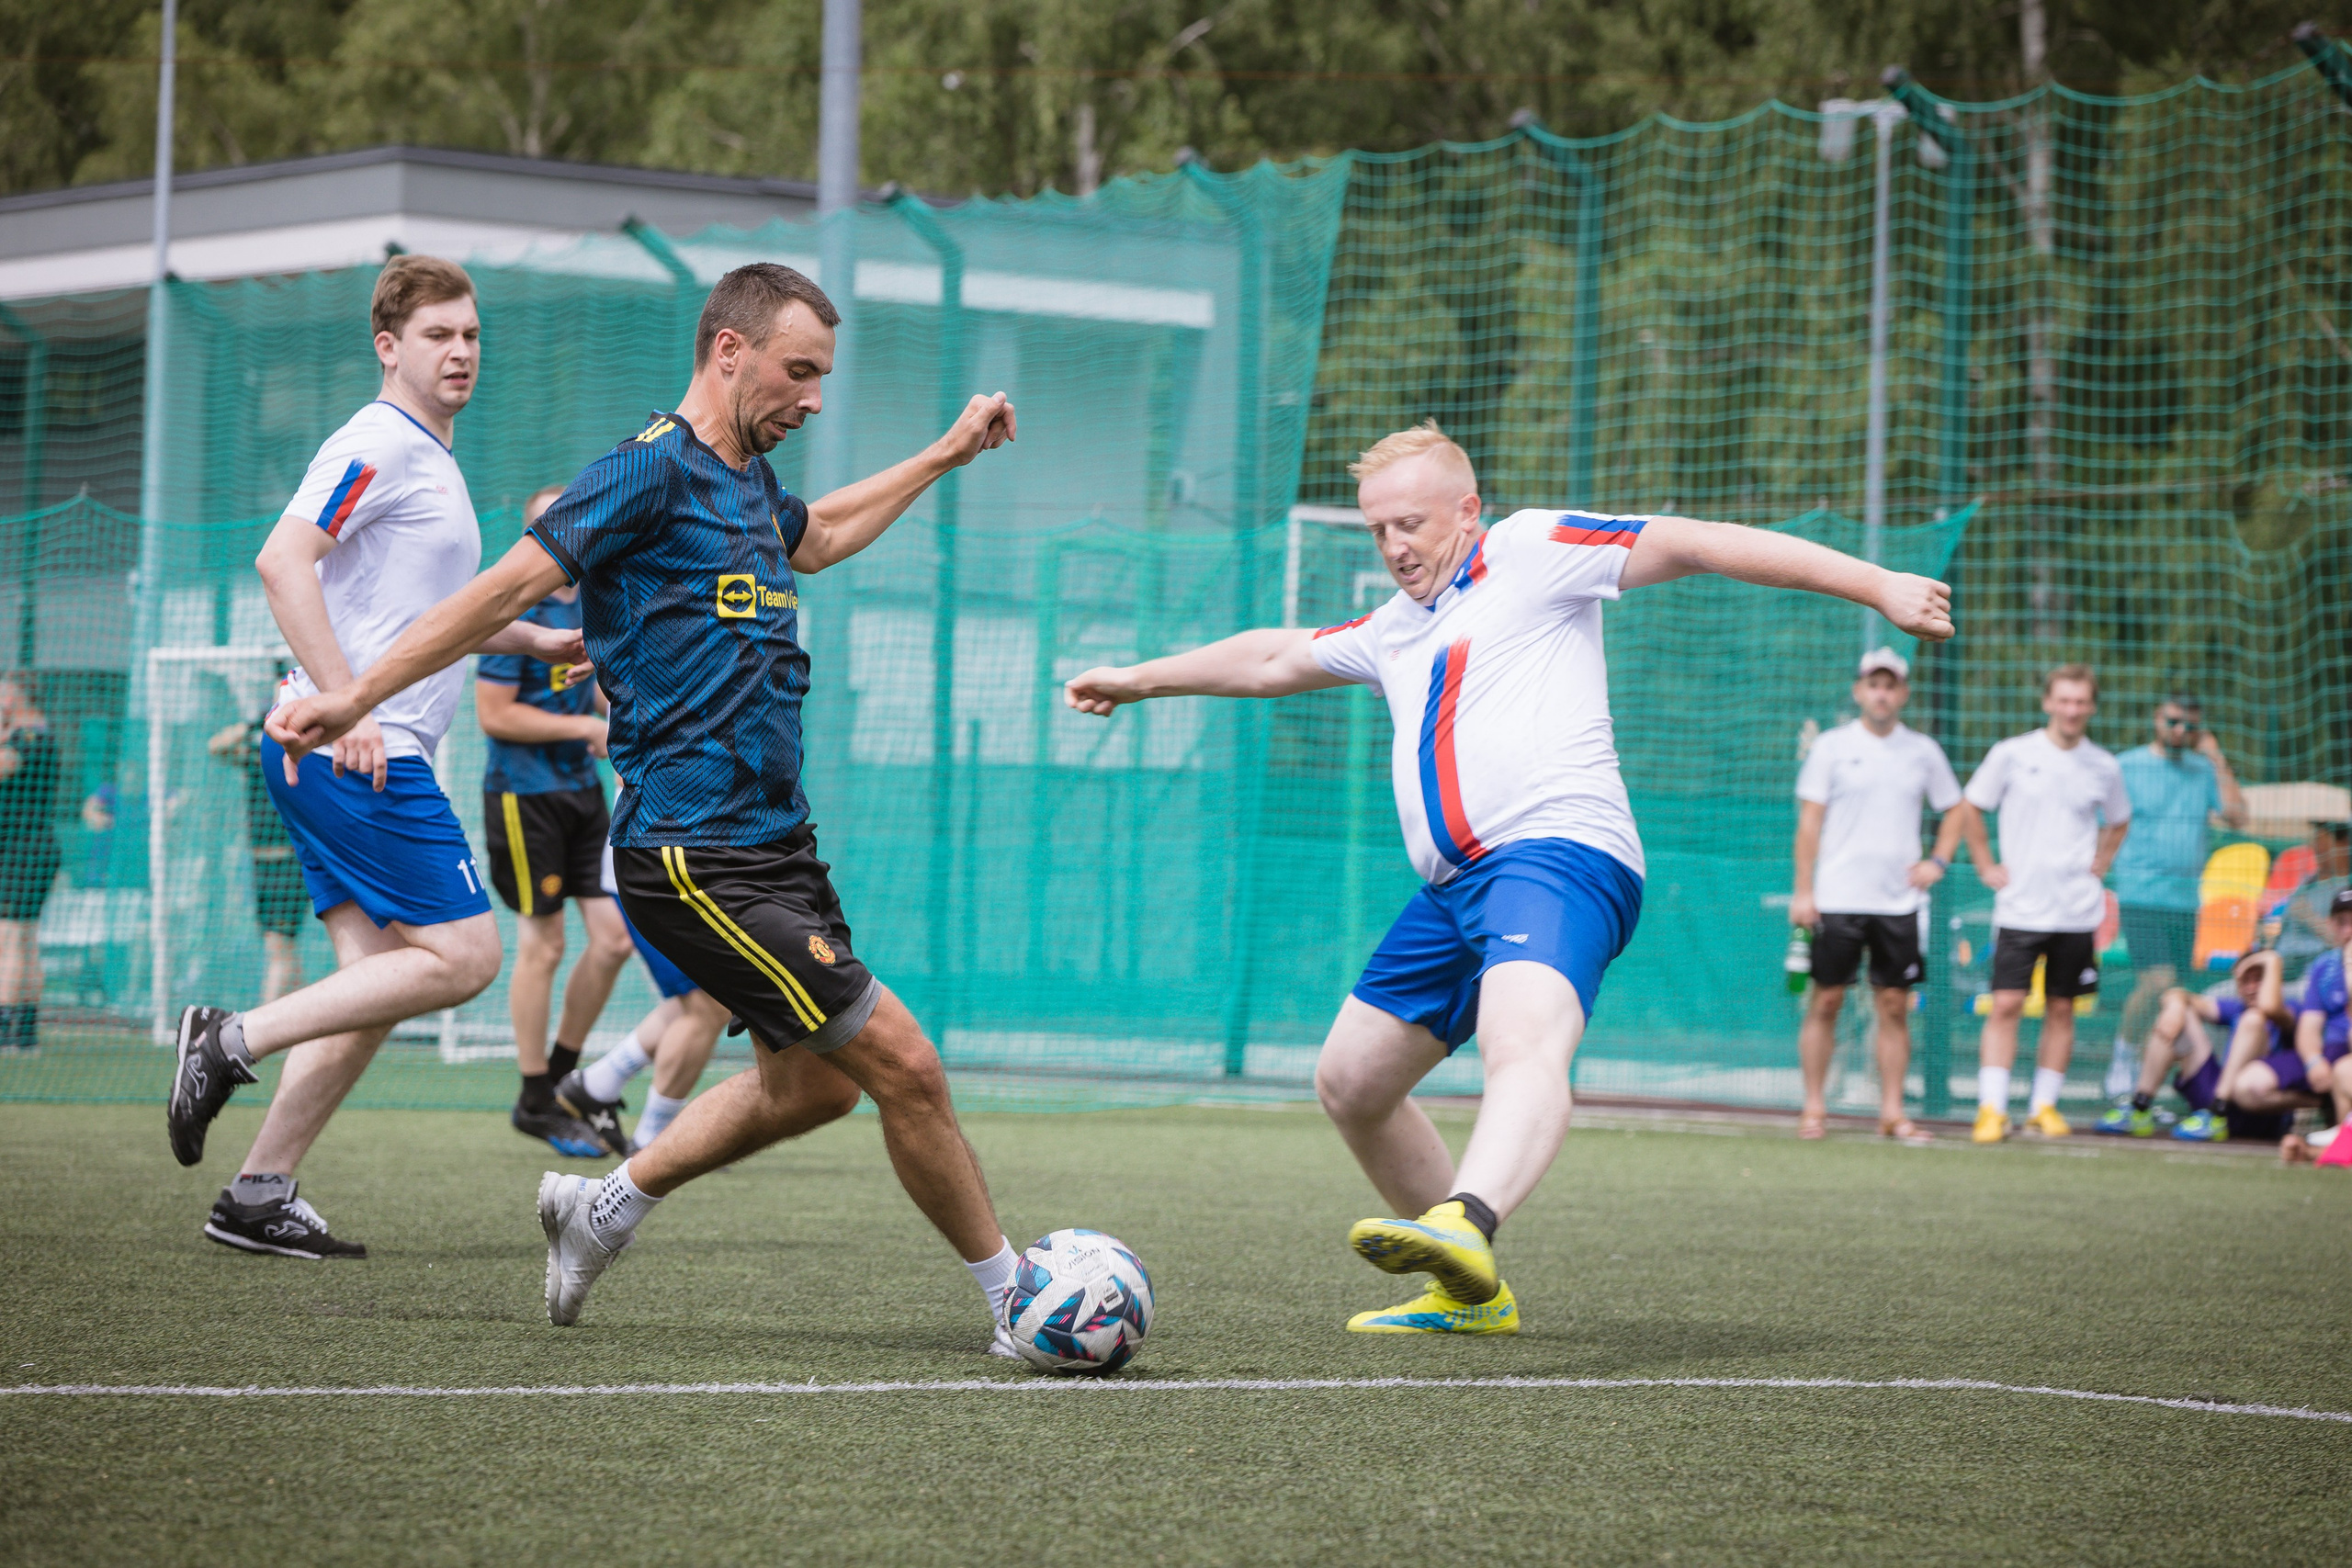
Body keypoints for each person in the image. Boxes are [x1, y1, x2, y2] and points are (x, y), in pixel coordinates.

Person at [267, 263, 1028, 1350]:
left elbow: (821, 536)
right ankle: (1018, 1300)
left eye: (822, 376)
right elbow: (493, 593)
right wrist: (353, 694)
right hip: (691, 851)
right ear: (730, 352)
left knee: (815, 1090)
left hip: (777, 846)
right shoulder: (642, 474)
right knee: (905, 1063)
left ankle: (600, 1208)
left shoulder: (750, 485)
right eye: (798, 372)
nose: (813, 397)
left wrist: (946, 455)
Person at [1064, 421, 1953, 1334]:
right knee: (1350, 1080)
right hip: (1455, 892)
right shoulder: (1392, 630)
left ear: (1468, 511)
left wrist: (1874, 583)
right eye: (1377, 530)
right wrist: (1138, 679)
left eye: (1408, 523)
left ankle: (1466, 1220)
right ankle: (1468, 1292)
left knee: (1521, 1040)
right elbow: (1269, 656)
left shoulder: (1529, 550)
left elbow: (1694, 542)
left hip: (1557, 854)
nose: (1392, 546)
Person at [164, 256, 585, 1259]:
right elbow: (282, 558)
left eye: (472, 335)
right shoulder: (377, 441)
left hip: (349, 746)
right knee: (469, 957)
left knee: (379, 985)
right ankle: (229, 1039)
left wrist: (537, 642)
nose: (462, 352)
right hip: (357, 750)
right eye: (439, 335)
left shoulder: (433, 460)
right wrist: (342, 702)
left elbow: (426, 617)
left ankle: (258, 1194)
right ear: (389, 348)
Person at [480, 482, 636, 1158]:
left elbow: (607, 691)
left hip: (584, 795)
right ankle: (534, 1093)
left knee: (612, 941)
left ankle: (564, 1078)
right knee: (541, 945)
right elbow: (495, 713)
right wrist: (583, 735)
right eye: (549, 522)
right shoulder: (515, 605)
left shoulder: (602, 596)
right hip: (524, 797)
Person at [1944, 664, 2132, 1144]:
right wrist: (1986, 865)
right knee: (2005, 1004)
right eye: (2063, 700)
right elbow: (1971, 807)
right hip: (2021, 908)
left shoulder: (2104, 766)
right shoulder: (2012, 754)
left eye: (2080, 701)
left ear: (2091, 706)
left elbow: (2119, 820)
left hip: (2076, 911)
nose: (2071, 710)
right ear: (2047, 702)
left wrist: (2101, 862)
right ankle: (1991, 1110)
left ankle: (2042, 1107)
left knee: (2062, 1009)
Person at [1788, 647, 1962, 1142]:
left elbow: (1957, 809)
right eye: (1874, 684)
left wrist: (1938, 861)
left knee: (1893, 1005)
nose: (1882, 693)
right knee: (1826, 1002)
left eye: (1891, 685)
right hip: (1837, 898)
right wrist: (1804, 890)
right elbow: (1810, 823)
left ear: (1903, 693)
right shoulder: (1832, 747)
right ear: (1859, 690)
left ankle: (1891, 1112)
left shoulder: (1923, 751)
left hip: (1898, 902)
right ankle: (1814, 1109)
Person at [2105, 693, 2245, 1097]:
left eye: (2190, 725)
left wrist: (2216, 757)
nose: (2181, 731)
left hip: (2186, 901)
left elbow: (2237, 815)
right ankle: (2123, 1056)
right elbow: (2104, 823)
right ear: (2156, 719)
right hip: (2140, 894)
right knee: (2157, 982)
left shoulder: (2203, 770)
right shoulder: (2127, 766)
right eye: (2173, 721)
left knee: (2173, 996)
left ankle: (2144, 1087)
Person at [559, 844, 731, 1153]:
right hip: (656, 872)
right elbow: (633, 792)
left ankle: (597, 1084)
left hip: (691, 868)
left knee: (707, 997)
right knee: (707, 1004)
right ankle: (652, 1143)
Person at [2094, 951, 2296, 1140]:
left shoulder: (2290, 1010)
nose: (2251, 988)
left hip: (2260, 1109)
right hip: (2213, 1103)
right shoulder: (2236, 1008)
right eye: (2245, 981)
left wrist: (2270, 958)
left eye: (2259, 979)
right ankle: (2140, 1108)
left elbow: (2270, 1007)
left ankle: (2219, 1111)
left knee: (2253, 1019)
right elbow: (2177, 994)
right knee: (2181, 1017)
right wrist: (2175, 1007)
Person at [207, 685, 310, 1005]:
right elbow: (216, 747)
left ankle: (260, 1028)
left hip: (290, 867)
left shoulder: (304, 758)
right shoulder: (257, 757)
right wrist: (255, 724)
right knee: (284, 951)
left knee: (277, 949)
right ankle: (313, 1022)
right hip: (261, 866)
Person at [0, 675, 62, 1055]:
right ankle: (24, 1033)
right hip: (22, 850)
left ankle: (8, 1030)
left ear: (17, 696)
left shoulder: (31, 736)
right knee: (22, 941)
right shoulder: (21, 735)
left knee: (10, 941)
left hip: (25, 850)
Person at [2273, 821, 2350, 978]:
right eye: (2316, 841)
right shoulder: (2306, 883)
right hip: (2278, 968)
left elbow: (2343, 941)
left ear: (2342, 845)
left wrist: (2309, 917)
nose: (2316, 848)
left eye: (2322, 842)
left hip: (2314, 973)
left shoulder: (2347, 890)